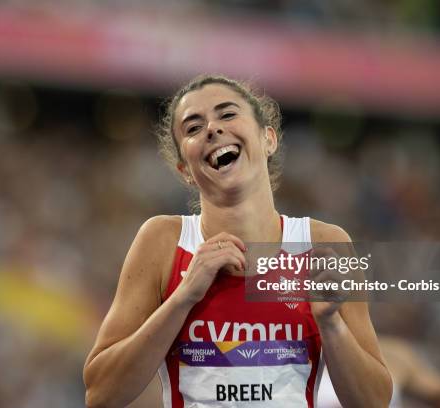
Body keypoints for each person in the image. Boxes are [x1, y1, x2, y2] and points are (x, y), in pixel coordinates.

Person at [83, 75, 392, 407]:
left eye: (227, 114)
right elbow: (101, 394)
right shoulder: (163, 242)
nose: (213, 129)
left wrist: (331, 325)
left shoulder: (325, 243)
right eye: (193, 127)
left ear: (268, 139)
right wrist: (182, 298)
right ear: (185, 169)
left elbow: (374, 402)